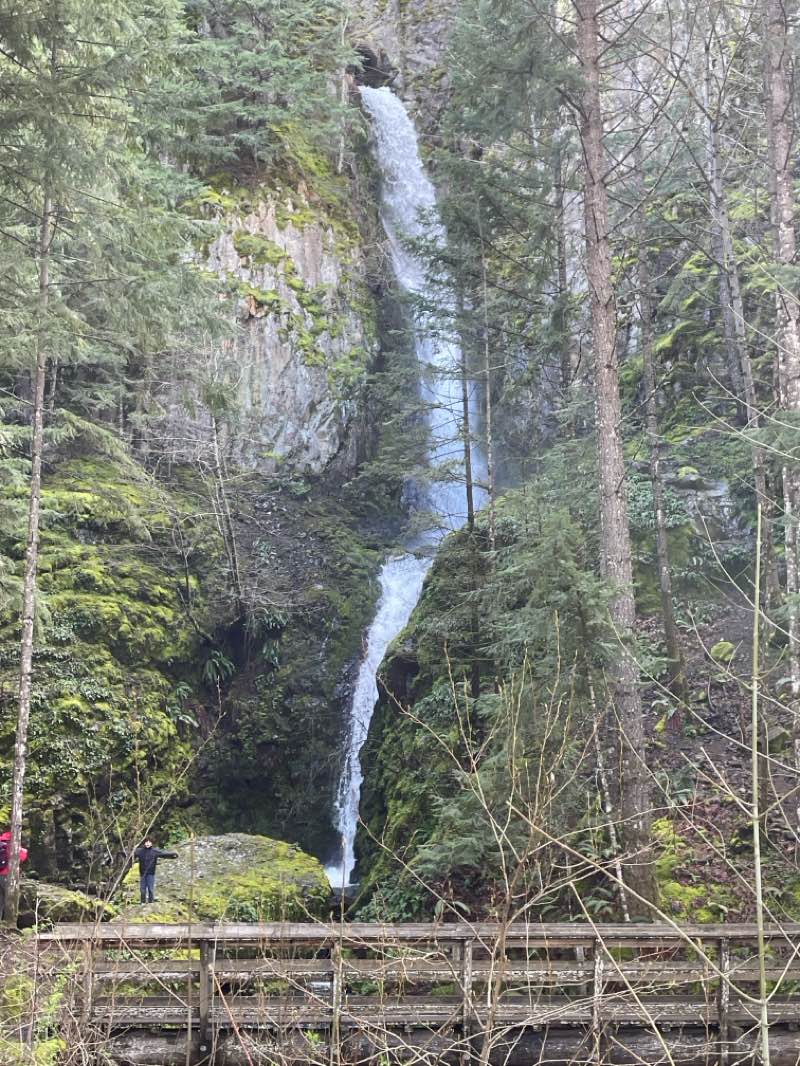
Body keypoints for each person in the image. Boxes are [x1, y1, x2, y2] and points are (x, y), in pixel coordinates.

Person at [133, 838, 177, 904]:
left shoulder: (155, 851)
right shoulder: (140, 851)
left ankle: (151, 903)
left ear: (151, 843)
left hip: (151, 874)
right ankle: (142, 902)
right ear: (144, 843)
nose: (147, 844)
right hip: (143, 874)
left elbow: (164, 854)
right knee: (142, 890)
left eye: (149, 842)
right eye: (146, 842)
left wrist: (173, 854)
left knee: (150, 889)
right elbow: (130, 854)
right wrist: (122, 853)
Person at [0, 830, 29, 921]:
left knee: (0, 901)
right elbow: (23, 856)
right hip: (7, 876)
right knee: (10, 898)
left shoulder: (1, 845)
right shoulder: (13, 846)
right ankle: (9, 921)